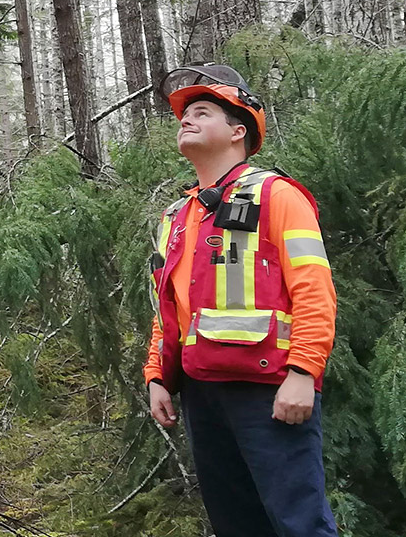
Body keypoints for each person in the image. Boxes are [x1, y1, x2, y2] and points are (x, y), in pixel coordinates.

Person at [143, 64, 339, 537]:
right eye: (183, 114)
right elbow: (168, 312)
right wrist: (157, 377)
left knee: (299, 524)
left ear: (238, 131)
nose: (185, 119)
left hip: (268, 391)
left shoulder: (277, 195)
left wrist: (303, 373)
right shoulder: (178, 215)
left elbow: (315, 291)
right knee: (236, 525)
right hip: (201, 394)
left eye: (202, 111)